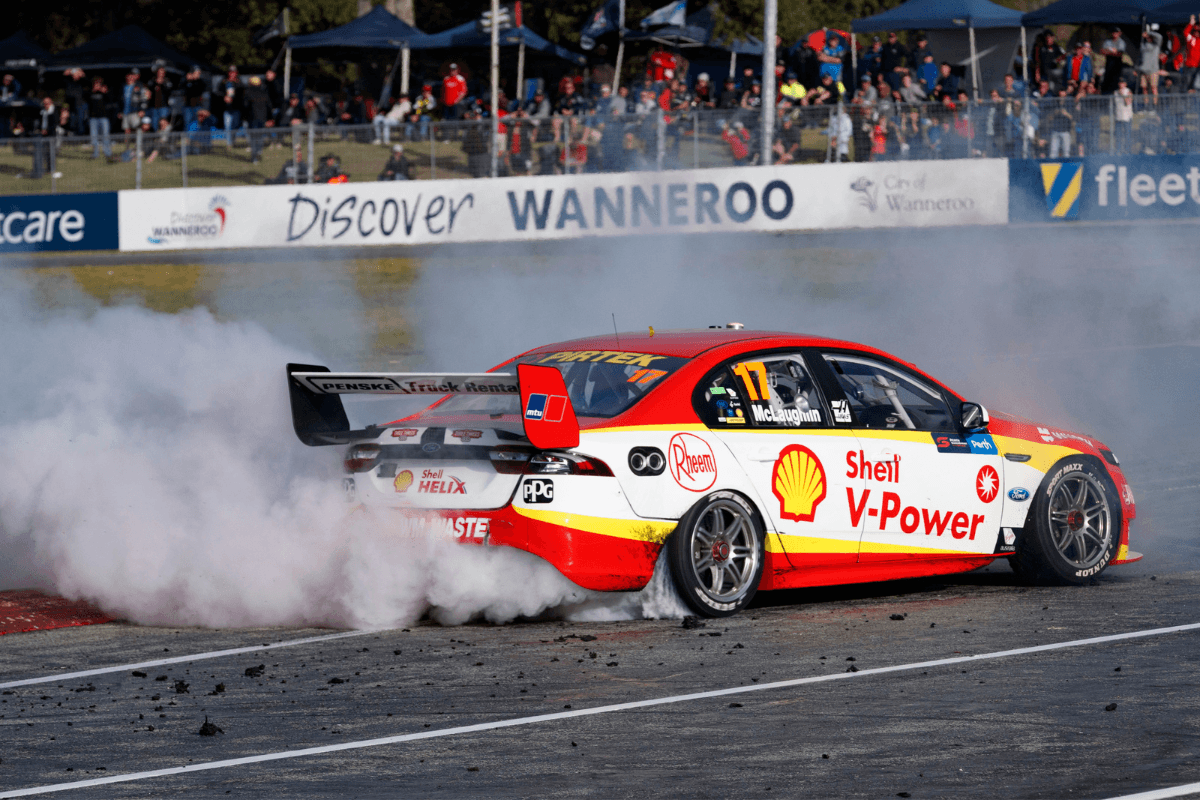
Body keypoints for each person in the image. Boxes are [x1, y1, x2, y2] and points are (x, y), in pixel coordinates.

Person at [245, 75, 272, 163]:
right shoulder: (264, 93)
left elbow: (245, 105)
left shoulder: (248, 92)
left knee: (253, 137)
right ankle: (259, 151)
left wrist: (245, 117)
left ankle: (254, 157)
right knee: (260, 136)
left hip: (252, 118)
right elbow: (269, 106)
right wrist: (270, 118)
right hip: (262, 118)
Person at [87, 76, 112, 160]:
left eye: (99, 84)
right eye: (95, 84)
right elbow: (86, 99)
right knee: (94, 137)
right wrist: (92, 91)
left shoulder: (104, 92)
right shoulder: (90, 93)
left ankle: (108, 153)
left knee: (105, 136)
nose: (97, 86)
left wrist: (105, 92)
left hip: (104, 117)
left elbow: (110, 100)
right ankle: (95, 154)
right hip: (93, 118)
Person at [1100, 29, 1127, 94]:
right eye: (1113, 32)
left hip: (1117, 65)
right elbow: (1102, 51)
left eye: (1116, 32)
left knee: (1115, 82)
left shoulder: (1121, 42)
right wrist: (1113, 52)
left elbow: (1119, 54)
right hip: (1108, 64)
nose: (1115, 33)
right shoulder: (1107, 41)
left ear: (1119, 33)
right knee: (1107, 81)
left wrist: (1109, 51)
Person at [221, 66, 244, 145]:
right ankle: (229, 143)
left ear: (236, 73)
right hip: (227, 109)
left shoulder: (239, 83)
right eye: (230, 72)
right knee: (227, 127)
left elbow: (241, 95)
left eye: (233, 72)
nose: (232, 74)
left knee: (235, 126)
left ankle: (233, 141)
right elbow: (218, 92)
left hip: (236, 108)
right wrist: (224, 97)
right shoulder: (224, 82)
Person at [1140, 25, 1164, 96]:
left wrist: (1149, 32)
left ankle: (1155, 105)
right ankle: (1146, 105)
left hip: (1153, 71)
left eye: (1150, 37)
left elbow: (1160, 37)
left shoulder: (1156, 46)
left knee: (1154, 88)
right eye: (1147, 37)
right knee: (1144, 89)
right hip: (1143, 71)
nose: (1148, 38)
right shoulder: (1143, 45)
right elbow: (1140, 57)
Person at [63, 67, 88, 134]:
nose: (75, 75)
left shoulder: (82, 82)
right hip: (72, 105)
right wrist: (70, 72)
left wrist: (81, 73)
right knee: (72, 122)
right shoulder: (69, 81)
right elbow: (64, 76)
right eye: (74, 74)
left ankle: (81, 137)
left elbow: (86, 80)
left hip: (81, 105)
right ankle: (75, 136)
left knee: (81, 121)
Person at [1114, 77, 1133, 151]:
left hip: (1126, 117)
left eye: (1123, 83)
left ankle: (1127, 150)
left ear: (1125, 84)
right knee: (1118, 136)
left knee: (1127, 135)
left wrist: (1123, 95)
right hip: (1118, 116)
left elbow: (1128, 102)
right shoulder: (1115, 92)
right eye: (1120, 83)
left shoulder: (1128, 91)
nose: (1121, 84)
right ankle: (1118, 150)